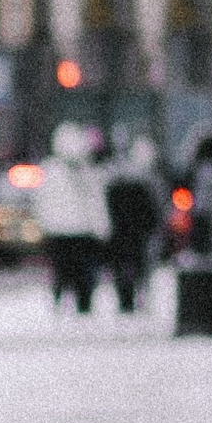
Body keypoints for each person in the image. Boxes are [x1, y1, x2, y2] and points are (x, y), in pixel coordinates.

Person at [36, 118, 112, 312]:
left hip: (59, 232)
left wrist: (43, 225)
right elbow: (96, 202)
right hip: (81, 233)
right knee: (81, 275)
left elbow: (41, 202)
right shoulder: (87, 171)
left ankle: (61, 304)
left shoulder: (50, 170)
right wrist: (101, 227)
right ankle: (81, 307)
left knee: (62, 273)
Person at [102, 138, 163, 313]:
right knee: (140, 267)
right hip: (137, 233)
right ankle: (138, 298)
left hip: (121, 233)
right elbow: (154, 210)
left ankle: (126, 301)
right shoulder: (148, 183)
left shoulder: (115, 182)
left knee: (124, 267)